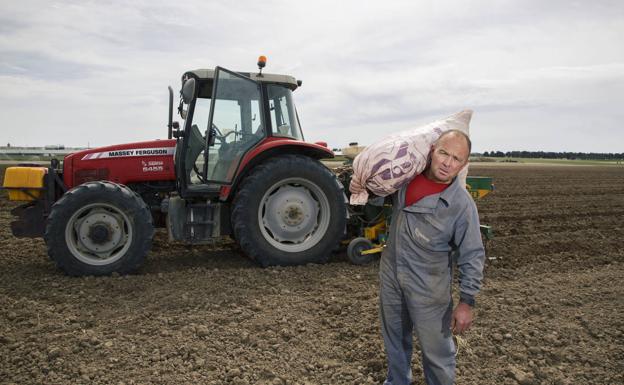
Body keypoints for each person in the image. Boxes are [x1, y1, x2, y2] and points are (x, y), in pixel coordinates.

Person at [379, 129, 485, 385]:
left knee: (437, 353)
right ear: (432, 151)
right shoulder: (406, 179)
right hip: (391, 276)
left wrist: (466, 302)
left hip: (429, 288)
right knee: (394, 342)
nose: (448, 163)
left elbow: (473, 254)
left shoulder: (460, 204)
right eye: (444, 153)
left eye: (457, 159)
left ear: (464, 164)